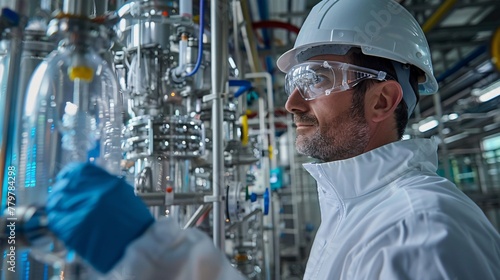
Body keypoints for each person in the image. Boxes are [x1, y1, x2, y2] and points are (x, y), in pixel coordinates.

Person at [44, 0, 500, 279]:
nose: (293, 103)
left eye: (318, 79)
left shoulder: (419, 231)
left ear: (383, 100)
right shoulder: (354, 207)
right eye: (296, 81)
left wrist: (156, 256)